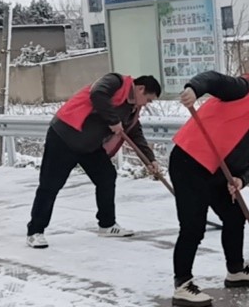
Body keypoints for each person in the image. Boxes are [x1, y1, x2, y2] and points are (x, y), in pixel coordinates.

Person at [169, 71, 249, 307]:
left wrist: (241, 178)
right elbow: (214, 80)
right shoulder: (245, 90)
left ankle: (235, 271)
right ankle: (182, 285)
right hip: (190, 162)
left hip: (218, 172)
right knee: (193, 226)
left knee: (235, 216)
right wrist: (194, 88)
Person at [25, 73, 162, 248]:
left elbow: (134, 133)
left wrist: (150, 160)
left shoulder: (132, 109)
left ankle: (107, 224)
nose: (146, 104)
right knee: (50, 185)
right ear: (141, 89)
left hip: (89, 146)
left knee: (106, 176)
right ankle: (35, 231)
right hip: (65, 136)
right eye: (148, 99)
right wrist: (113, 120)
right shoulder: (115, 81)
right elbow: (97, 94)